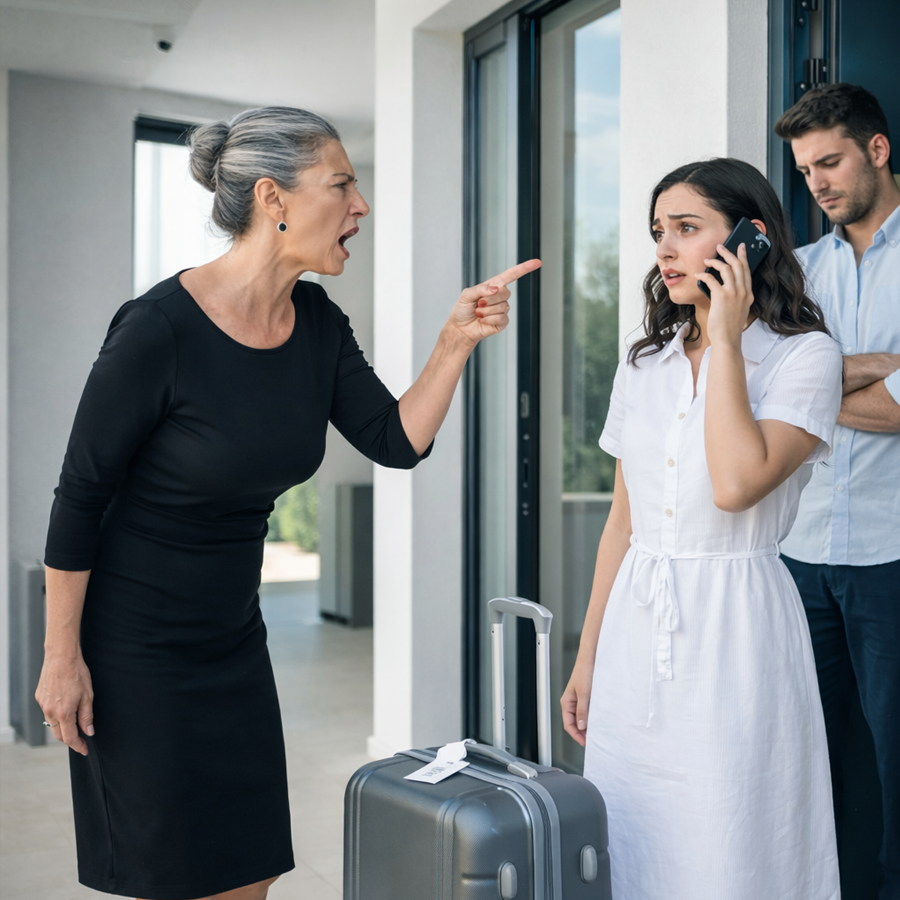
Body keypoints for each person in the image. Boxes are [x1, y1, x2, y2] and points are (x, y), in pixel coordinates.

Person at [36, 106, 540, 900]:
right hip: (135, 648)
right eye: (342, 185)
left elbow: (394, 440)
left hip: (233, 637)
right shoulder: (157, 329)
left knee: (250, 869)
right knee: (173, 875)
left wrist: (455, 343)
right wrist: (60, 657)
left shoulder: (317, 325)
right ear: (274, 198)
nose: (360, 206)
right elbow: (80, 496)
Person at [561, 157, 843, 898]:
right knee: (633, 835)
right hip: (635, 633)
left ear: (752, 238)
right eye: (659, 231)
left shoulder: (806, 356)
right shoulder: (644, 362)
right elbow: (622, 523)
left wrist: (726, 341)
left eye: (687, 227)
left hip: (737, 634)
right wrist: (588, 657)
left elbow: (736, 484)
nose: (666, 248)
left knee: (730, 835)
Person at [775, 83, 900, 896]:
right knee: (817, 758)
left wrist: (815, 388)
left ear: (877, 150)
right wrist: (877, 368)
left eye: (830, 162)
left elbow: (894, 410)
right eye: (805, 170)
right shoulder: (801, 272)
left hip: (893, 554)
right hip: (802, 553)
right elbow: (764, 394)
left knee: (894, 758)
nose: (816, 184)